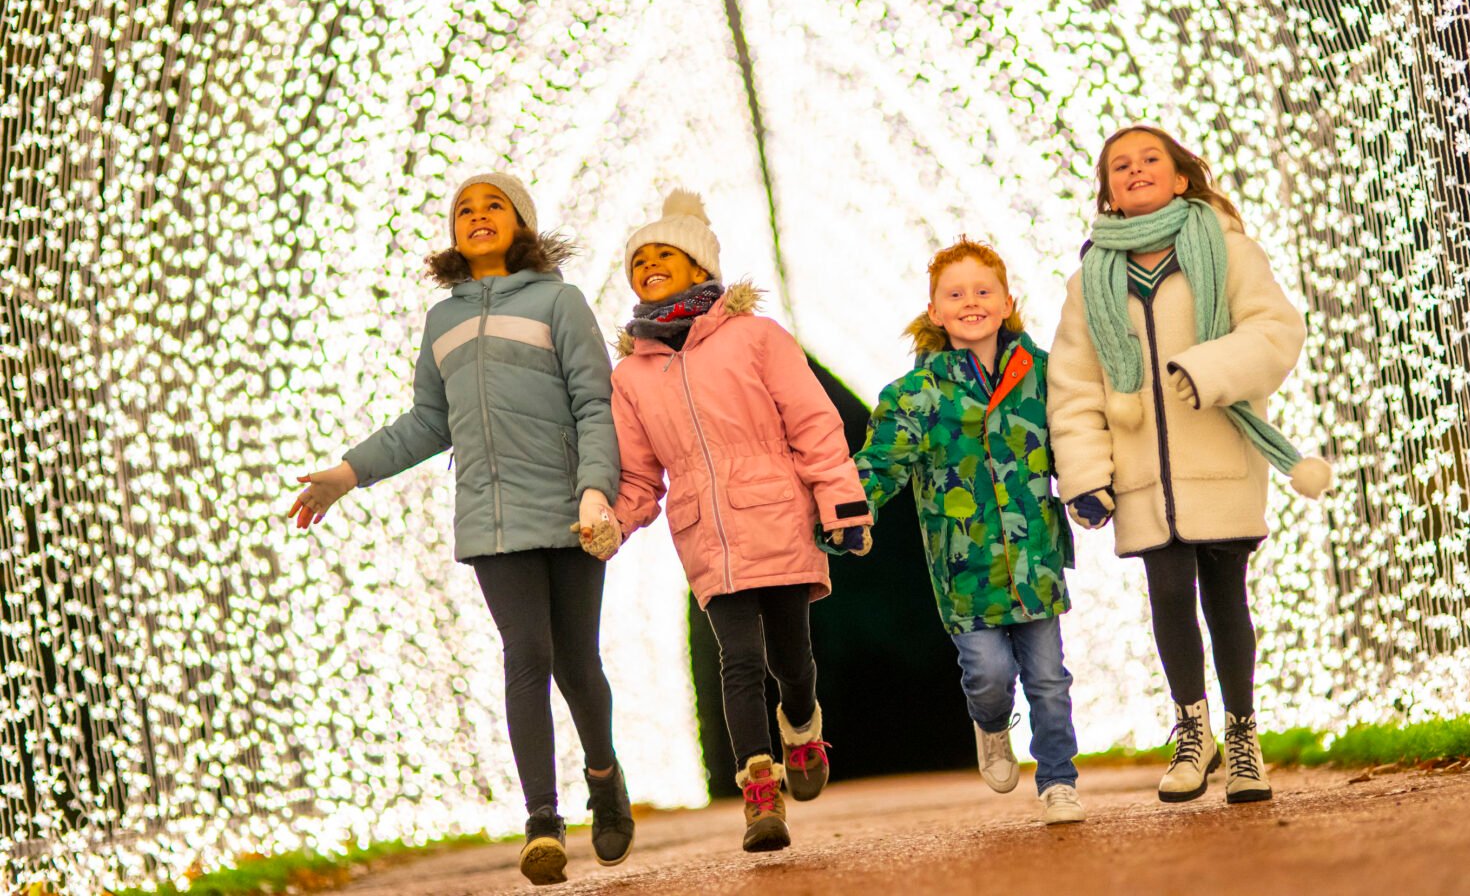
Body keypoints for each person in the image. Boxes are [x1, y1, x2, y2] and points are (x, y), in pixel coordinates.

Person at [287, 174, 634, 885]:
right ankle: (542, 820)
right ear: (453, 234)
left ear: (520, 223)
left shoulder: (558, 301)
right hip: (488, 516)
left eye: (493, 206)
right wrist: (346, 475)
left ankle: (604, 776)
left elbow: (595, 404)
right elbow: (428, 422)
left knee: (577, 662)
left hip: (572, 509)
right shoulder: (441, 321)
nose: (477, 217)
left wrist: (597, 490)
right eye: (464, 210)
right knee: (525, 653)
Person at [1047, 126, 1332, 805]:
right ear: (1108, 192)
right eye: (1120, 165)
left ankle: (1240, 736)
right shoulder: (1089, 281)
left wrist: (1207, 369)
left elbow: (1273, 330)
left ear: (1181, 178)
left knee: (1224, 596)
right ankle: (1190, 728)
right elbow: (1074, 383)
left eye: (1150, 159)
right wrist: (1085, 474)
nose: (1135, 170)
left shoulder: (1229, 252)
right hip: (1140, 470)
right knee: (1168, 593)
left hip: (1219, 456)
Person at [608, 189, 872, 853]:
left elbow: (812, 420)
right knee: (738, 658)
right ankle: (760, 790)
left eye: (664, 254)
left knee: (790, 658)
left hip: (776, 515)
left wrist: (839, 502)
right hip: (705, 534)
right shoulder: (633, 374)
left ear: (701, 268)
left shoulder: (757, 337)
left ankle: (802, 722)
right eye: (639, 261)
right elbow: (640, 474)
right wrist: (614, 523)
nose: (650, 266)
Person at [853, 236, 1085, 825]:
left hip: (1034, 558)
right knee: (989, 675)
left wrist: (1094, 487)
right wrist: (849, 513)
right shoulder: (917, 395)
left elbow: (1077, 439)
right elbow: (881, 465)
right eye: (955, 294)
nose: (971, 302)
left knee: (1050, 680)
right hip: (965, 568)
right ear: (935, 312)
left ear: (1007, 302)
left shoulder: (1044, 376)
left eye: (983, 291)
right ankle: (989, 724)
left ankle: (1058, 780)